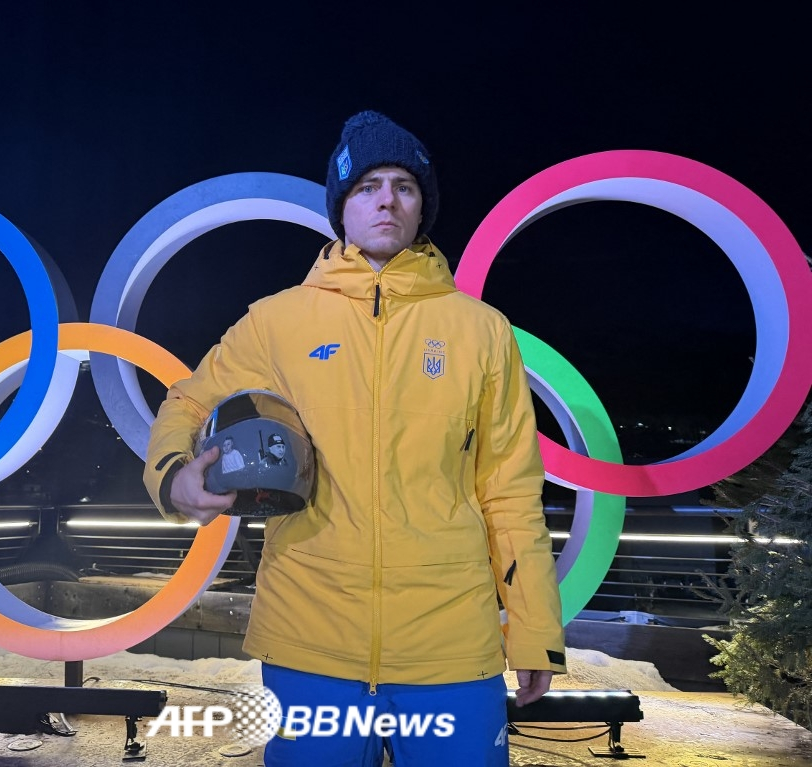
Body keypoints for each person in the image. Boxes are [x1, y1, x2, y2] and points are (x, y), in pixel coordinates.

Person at [144, 110, 565, 766]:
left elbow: (511, 489)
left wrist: (534, 629)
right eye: (368, 186)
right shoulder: (277, 320)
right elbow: (185, 402)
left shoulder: (481, 330)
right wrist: (175, 474)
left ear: (422, 206)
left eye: (403, 185)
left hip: (449, 643)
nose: (387, 198)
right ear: (342, 205)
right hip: (309, 637)